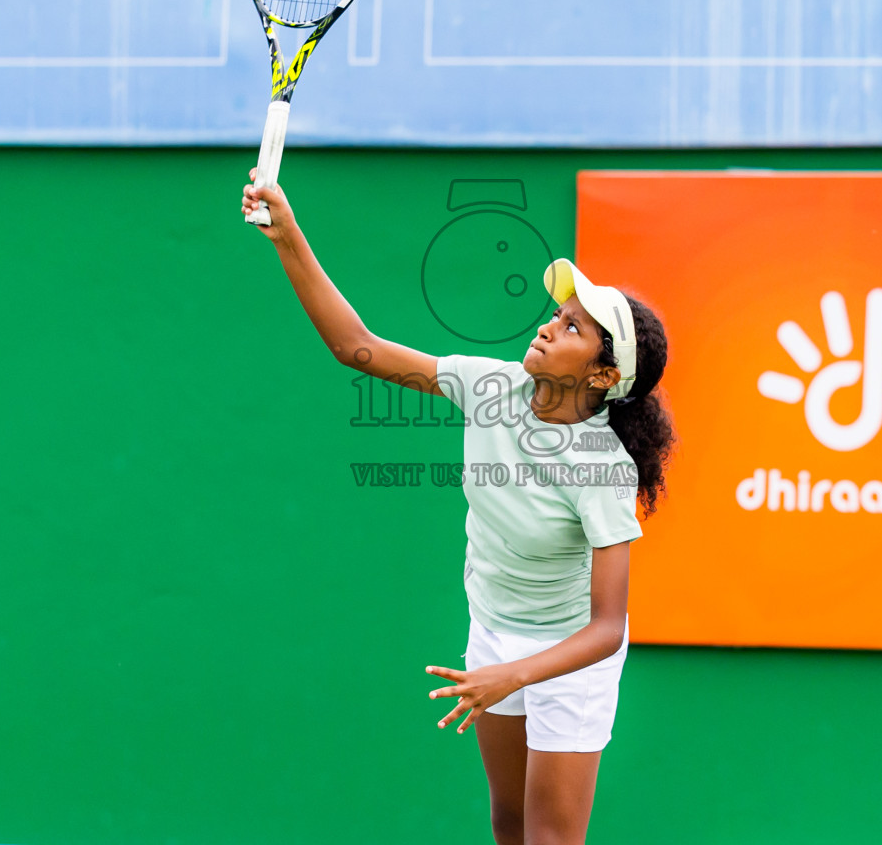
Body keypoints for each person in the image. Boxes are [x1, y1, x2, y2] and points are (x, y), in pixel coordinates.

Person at [243, 172, 675, 845]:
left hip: (570, 659)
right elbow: (357, 347)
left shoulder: (602, 470)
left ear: (600, 375)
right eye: (556, 317)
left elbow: (607, 628)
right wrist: (287, 236)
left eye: (571, 329)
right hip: (496, 631)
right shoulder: (489, 385)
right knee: (508, 825)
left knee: (550, 839)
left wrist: (514, 675)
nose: (547, 327)